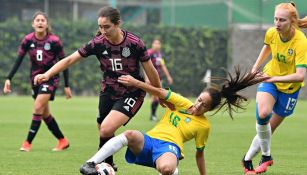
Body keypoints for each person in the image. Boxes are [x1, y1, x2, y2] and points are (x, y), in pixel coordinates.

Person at [34, 6, 161, 170]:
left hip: (132, 93)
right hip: (108, 91)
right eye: (100, 27)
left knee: (106, 128)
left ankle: (94, 164)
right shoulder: (98, 43)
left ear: (118, 24)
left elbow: (152, 72)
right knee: (103, 128)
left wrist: (160, 94)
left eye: (106, 27)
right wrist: (48, 74)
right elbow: (69, 60)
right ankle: (108, 165)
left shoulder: (135, 43)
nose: (102, 31)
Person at [79, 66, 268, 175]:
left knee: (167, 169)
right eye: (199, 100)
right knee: (129, 134)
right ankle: (90, 163)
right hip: (149, 141)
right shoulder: (183, 103)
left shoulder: (203, 126)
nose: (198, 105)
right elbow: (160, 92)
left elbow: (199, 155)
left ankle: (173, 170)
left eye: (204, 105)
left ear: (209, 110)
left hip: (169, 149)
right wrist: (137, 83)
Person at [241, 2, 307, 174]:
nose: (277, 23)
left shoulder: (300, 41)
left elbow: (300, 75)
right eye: (275, 19)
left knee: (271, 127)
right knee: (263, 114)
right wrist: (255, 69)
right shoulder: (272, 32)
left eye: (282, 20)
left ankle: (247, 158)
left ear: (292, 21)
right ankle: (267, 155)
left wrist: (271, 78)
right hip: (270, 79)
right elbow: (267, 48)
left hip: (290, 88)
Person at [2, 11, 72, 152]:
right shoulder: (28, 40)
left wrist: (67, 85)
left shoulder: (54, 41)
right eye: (37, 20)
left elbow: (64, 63)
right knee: (44, 114)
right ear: (33, 24)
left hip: (50, 79)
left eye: (43, 20)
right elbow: (18, 60)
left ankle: (27, 143)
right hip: (35, 80)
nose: (40, 22)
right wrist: (8, 78)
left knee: (37, 107)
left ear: (47, 24)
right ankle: (62, 140)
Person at [147, 38, 173, 121]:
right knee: (156, 96)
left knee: (157, 97)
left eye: (158, 43)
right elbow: (145, 66)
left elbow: (163, 66)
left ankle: (153, 116)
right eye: (155, 43)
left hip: (159, 78)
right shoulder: (149, 53)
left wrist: (168, 76)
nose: (157, 45)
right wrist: (147, 77)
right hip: (152, 78)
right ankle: (153, 116)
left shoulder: (159, 55)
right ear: (152, 44)